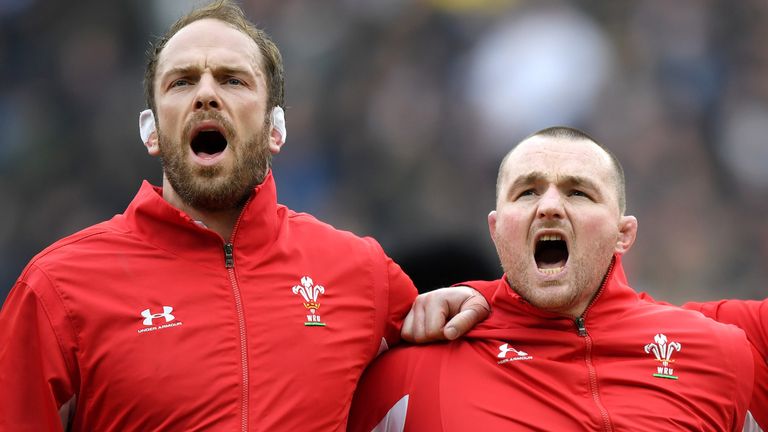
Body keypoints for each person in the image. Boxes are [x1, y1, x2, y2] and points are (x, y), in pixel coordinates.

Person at [0, 2, 490, 431]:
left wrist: (474, 299)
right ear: (150, 131)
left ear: (276, 128)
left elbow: (509, 347)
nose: (206, 95)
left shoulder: (360, 272)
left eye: (233, 80)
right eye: (181, 81)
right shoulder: (56, 289)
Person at [348, 126, 768, 431]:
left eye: (578, 192)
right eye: (527, 191)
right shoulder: (409, 375)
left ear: (623, 234)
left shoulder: (718, 354)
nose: (549, 206)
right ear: (496, 230)